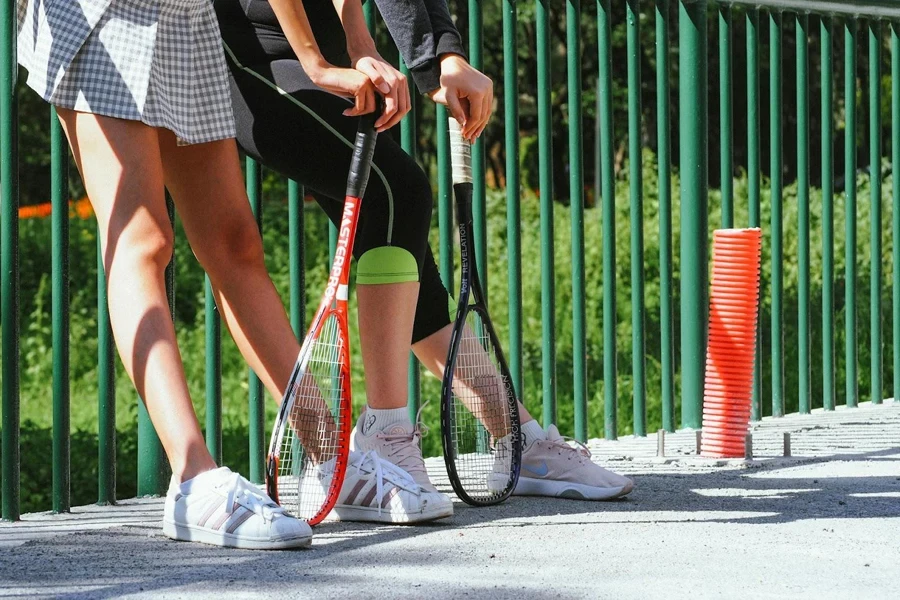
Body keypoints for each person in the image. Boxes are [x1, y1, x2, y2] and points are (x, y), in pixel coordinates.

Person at [15, 0, 445, 550]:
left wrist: (348, 38)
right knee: (143, 238)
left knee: (234, 244)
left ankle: (331, 457)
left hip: (186, 18)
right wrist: (312, 62)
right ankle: (192, 477)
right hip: (99, 13)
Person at [215, 0, 635, 508]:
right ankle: (383, 438)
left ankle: (516, 437)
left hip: (312, 41)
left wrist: (417, 53)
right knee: (398, 192)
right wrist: (320, 64)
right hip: (243, 50)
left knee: (397, 240)